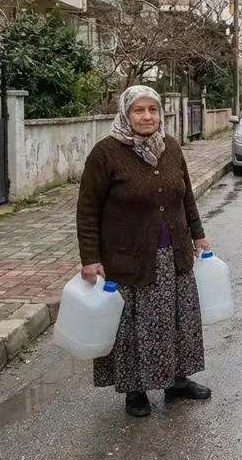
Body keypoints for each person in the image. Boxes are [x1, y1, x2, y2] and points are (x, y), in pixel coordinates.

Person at [77, 85, 212, 418]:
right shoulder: (105, 153)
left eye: (153, 109)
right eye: (139, 110)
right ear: (126, 114)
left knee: (177, 322)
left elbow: (186, 197)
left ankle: (176, 381)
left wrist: (198, 236)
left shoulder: (171, 147)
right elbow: (87, 210)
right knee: (134, 327)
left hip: (174, 255)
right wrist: (91, 258)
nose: (147, 116)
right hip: (129, 257)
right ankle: (134, 390)